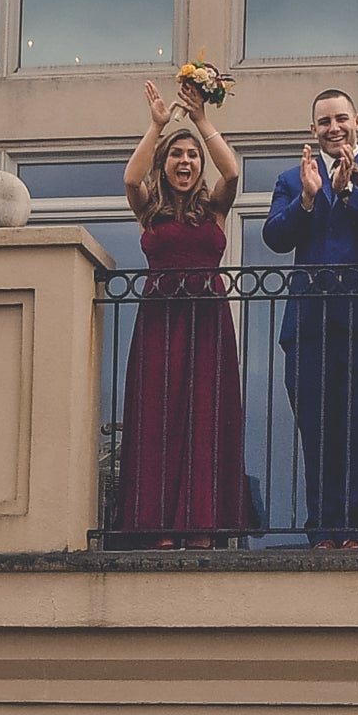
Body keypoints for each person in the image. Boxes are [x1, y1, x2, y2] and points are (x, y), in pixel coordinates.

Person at [263, 87, 358, 544]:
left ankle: (356, 529)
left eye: (341, 119)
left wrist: (347, 192)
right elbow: (274, 237)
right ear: (313, 130)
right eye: (324, 122)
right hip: (310, 327)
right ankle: (322, 528)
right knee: (318, 429)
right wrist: (307, 201)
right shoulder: (292, 178)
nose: (334, 128)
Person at [113, 77, 248, 546]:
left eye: (191, 156)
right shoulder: (149, 207)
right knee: (160, 420)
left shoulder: (214, 208)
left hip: (208, 323)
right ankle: (160, 526)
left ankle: (202, 524)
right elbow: (131, 178)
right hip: (160, 324)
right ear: (166, 165)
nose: (186, 161)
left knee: (204, 419)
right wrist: (157, 129)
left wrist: (202, 122)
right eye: (177, 155)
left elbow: (232, 174)